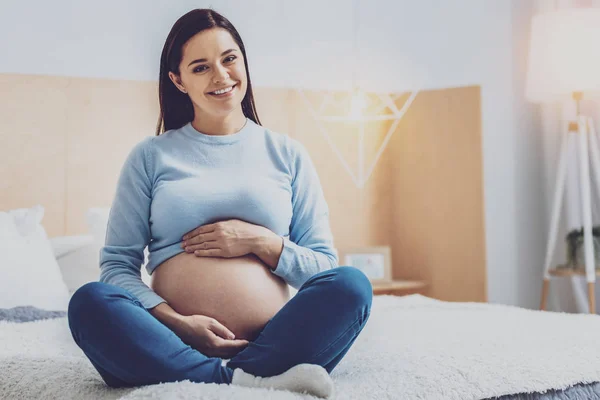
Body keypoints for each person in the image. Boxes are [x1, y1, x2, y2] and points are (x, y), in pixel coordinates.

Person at [67, 8, 372, 398]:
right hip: (167, 340)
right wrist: (176, 322)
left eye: (229, 59)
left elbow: (323, 269)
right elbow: (117, 268)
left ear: (244, 60)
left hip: (273, 344)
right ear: (178, 80)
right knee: (90, 302)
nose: (221, 76)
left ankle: (230, 374)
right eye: (200, 67)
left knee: (352, 285)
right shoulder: (150, 157)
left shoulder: (287, 154)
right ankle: (242, 380)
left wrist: (260, 243)